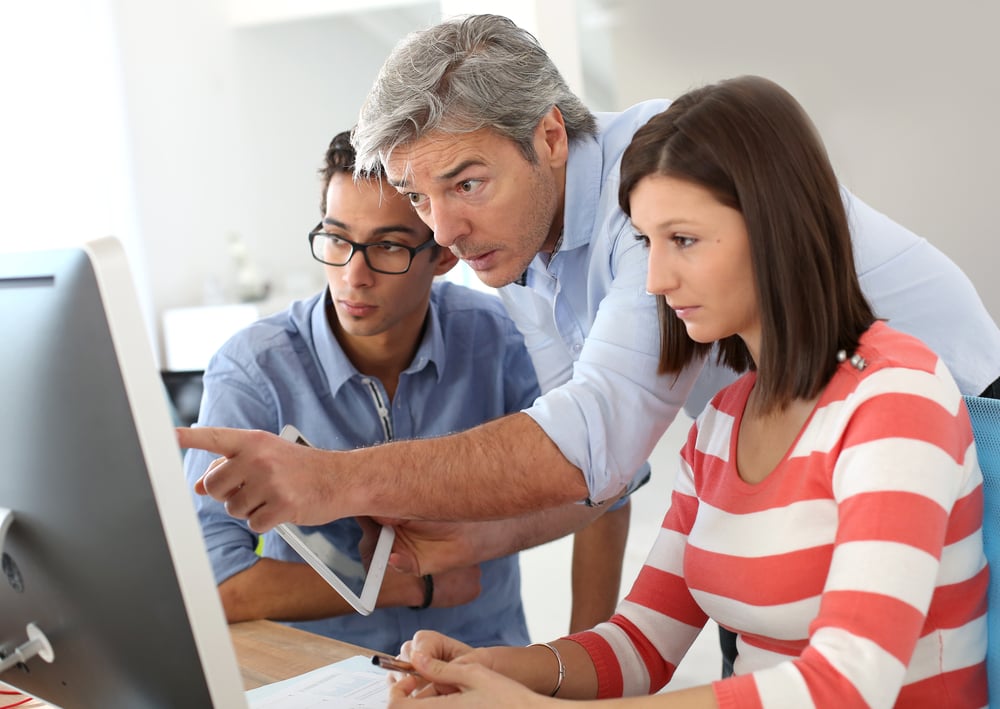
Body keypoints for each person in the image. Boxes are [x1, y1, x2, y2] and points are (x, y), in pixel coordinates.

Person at [179, 14, 1000, 636]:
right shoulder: (526, 247)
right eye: (423, 198)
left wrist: (338, 478)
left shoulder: (653, 185)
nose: (446, 232)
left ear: (546, 135)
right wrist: (477, 549)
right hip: (794, 451)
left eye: (466, 183)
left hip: (955, 427)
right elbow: (599, 473)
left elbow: (590, 437)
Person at [385, 74, 989, 709]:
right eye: (646, 241)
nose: (654, 279)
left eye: (684, 240)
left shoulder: (897, 400)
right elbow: (641, 645)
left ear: (774, 224)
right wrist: (495, 669)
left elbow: (846, 684)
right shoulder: (723, 424)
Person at [185, 130, 548, 654]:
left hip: (484, 667)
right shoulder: (253, 368)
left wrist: (585, 670)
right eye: (337, 239)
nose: (354, 275)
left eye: (388, 246)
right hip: (322, 679)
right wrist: (413, 586)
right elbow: (214, 581)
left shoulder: (502, 339)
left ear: (443, 255)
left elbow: (605, 490)